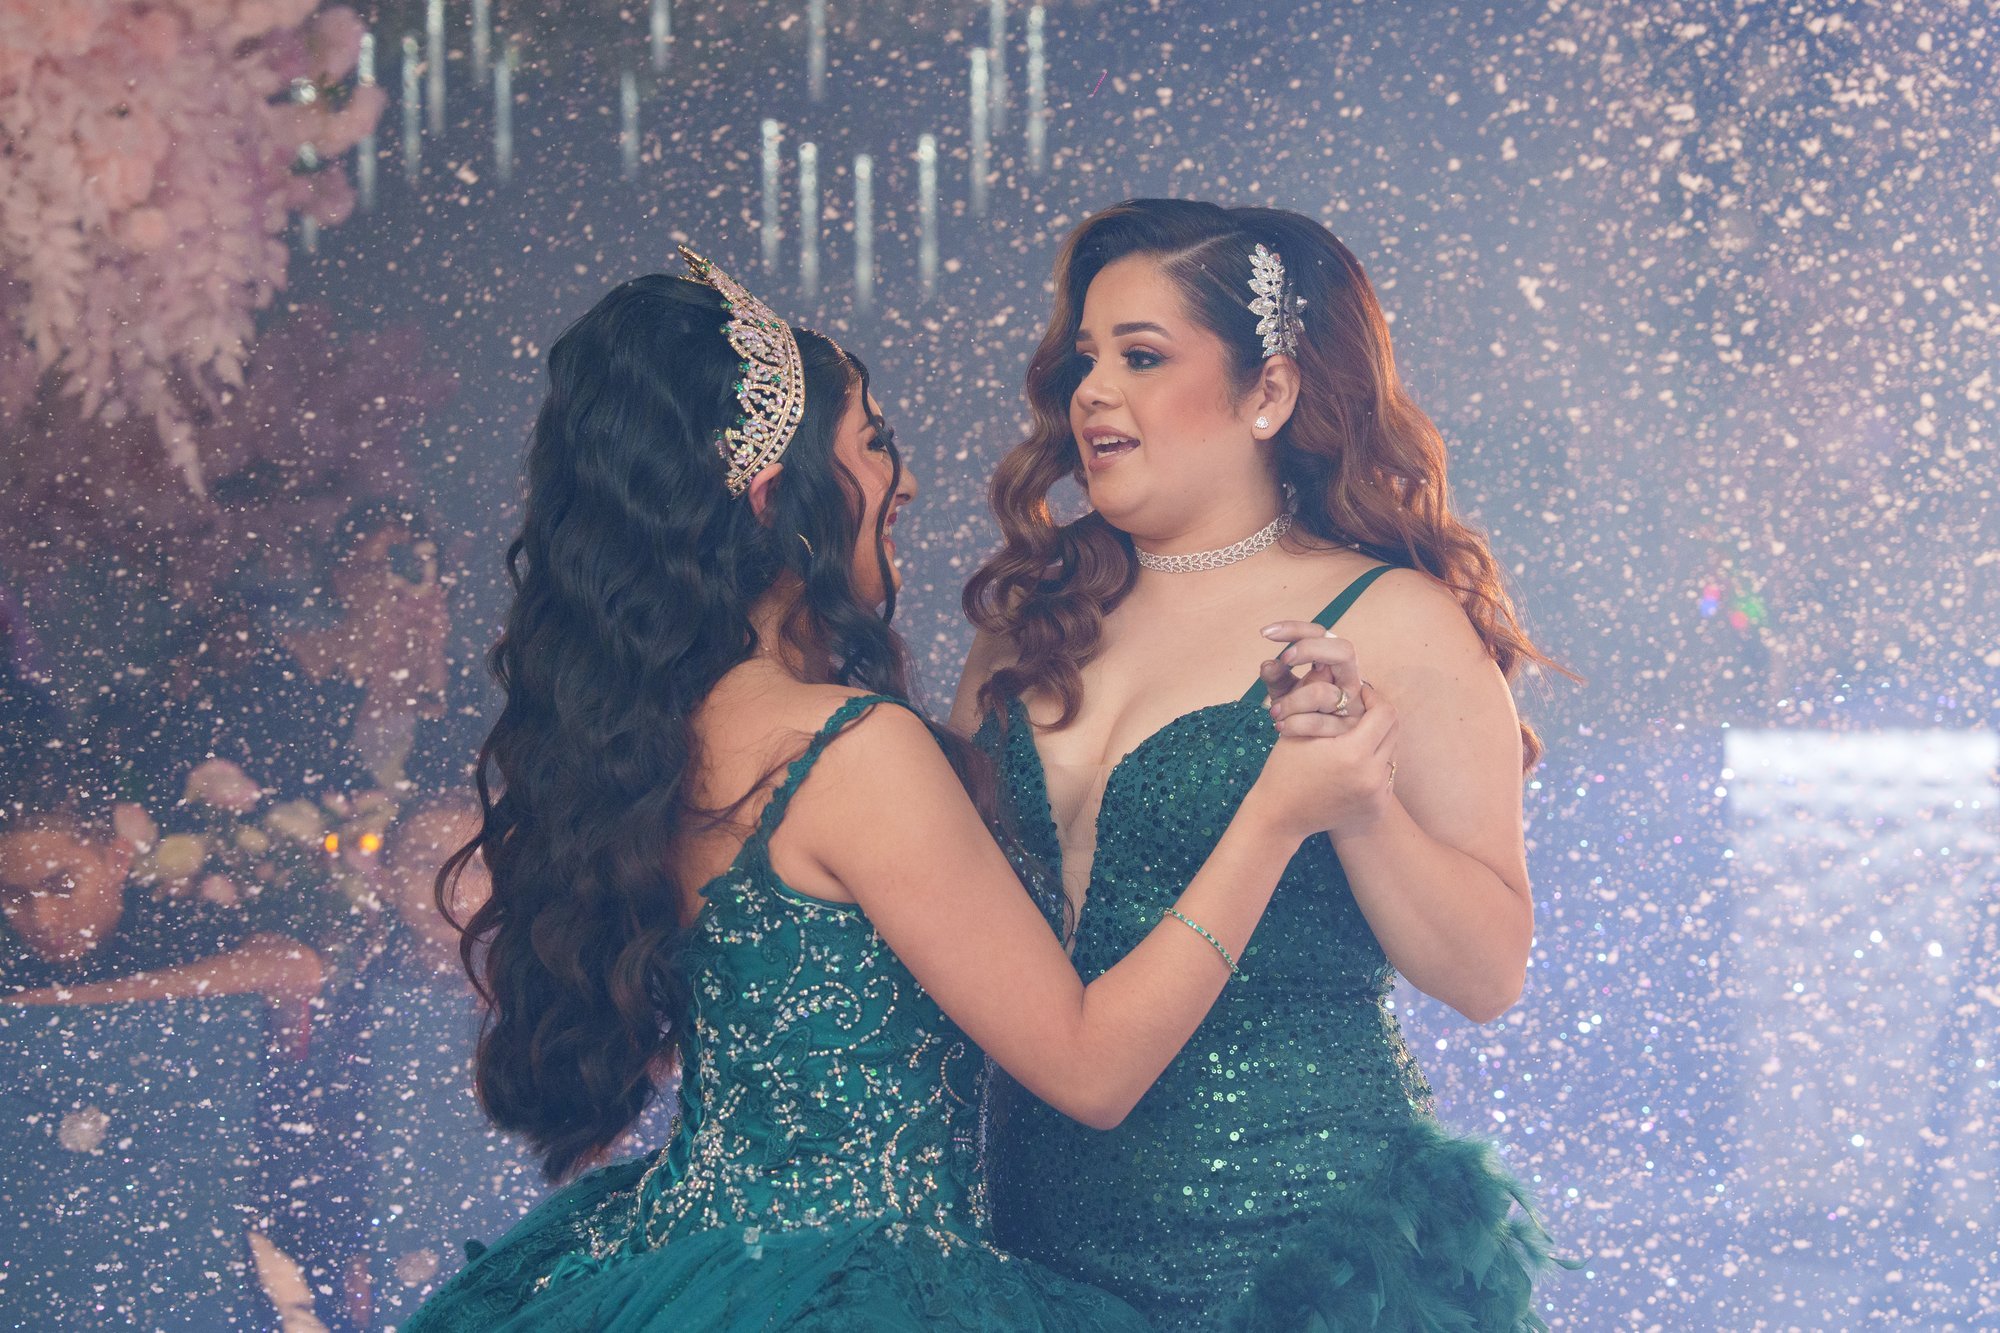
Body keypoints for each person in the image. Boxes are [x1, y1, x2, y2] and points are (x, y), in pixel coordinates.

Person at [406, 249, 1371, 1332]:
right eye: (872, 446)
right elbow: (1091, 1069)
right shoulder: (846, 751)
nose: (903, 482)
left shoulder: (651, 739)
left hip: (679, 1261)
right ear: (779, 500)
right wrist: (1279, 807)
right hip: (859, 1290)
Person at [953, 198, 1570, 1330]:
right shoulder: (1029, 622)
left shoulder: (1395, 621)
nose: (1092, 391)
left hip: (1303, 1265)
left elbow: (1488, 974)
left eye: (1141, 356)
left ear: (1268, 393)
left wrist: (1359, 800)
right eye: (1084, 357)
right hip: (1034, 1260)